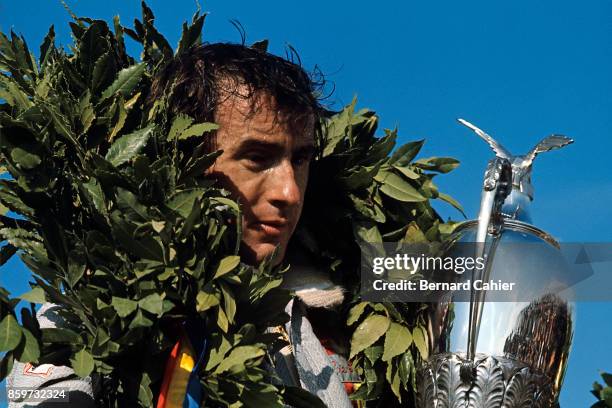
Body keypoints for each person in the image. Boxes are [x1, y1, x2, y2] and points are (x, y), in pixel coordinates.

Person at [7, 43, 358, 408]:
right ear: (184, 162)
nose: (289, 192)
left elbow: (420, 271)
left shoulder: (326, 288)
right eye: (257, 157)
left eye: (299, 159)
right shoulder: (93, 313)